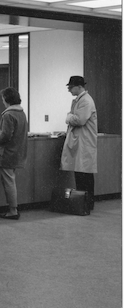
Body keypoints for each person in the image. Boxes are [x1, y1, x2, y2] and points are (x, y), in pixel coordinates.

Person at [61, 75, 98, 210]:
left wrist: (68, 117)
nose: (69, 90)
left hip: (84, 142)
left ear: (79, 87)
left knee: (85, 174)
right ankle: (83, 202)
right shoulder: (79, 100)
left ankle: (87, 202)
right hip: (81, 141)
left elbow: (79, 120)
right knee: (81, 173)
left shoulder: (86, 101)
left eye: (71, 87)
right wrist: (71, 117)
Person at [0, 87, 28, 220]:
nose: (2, 101)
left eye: (3, 99)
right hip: (18, 151)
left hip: (7, 152)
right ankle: (13, 209)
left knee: (8, 181)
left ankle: (13, 210)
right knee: (11, 180)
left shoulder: (8, 114)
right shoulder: (22, 113)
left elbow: (6, 135)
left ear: (7, 99)